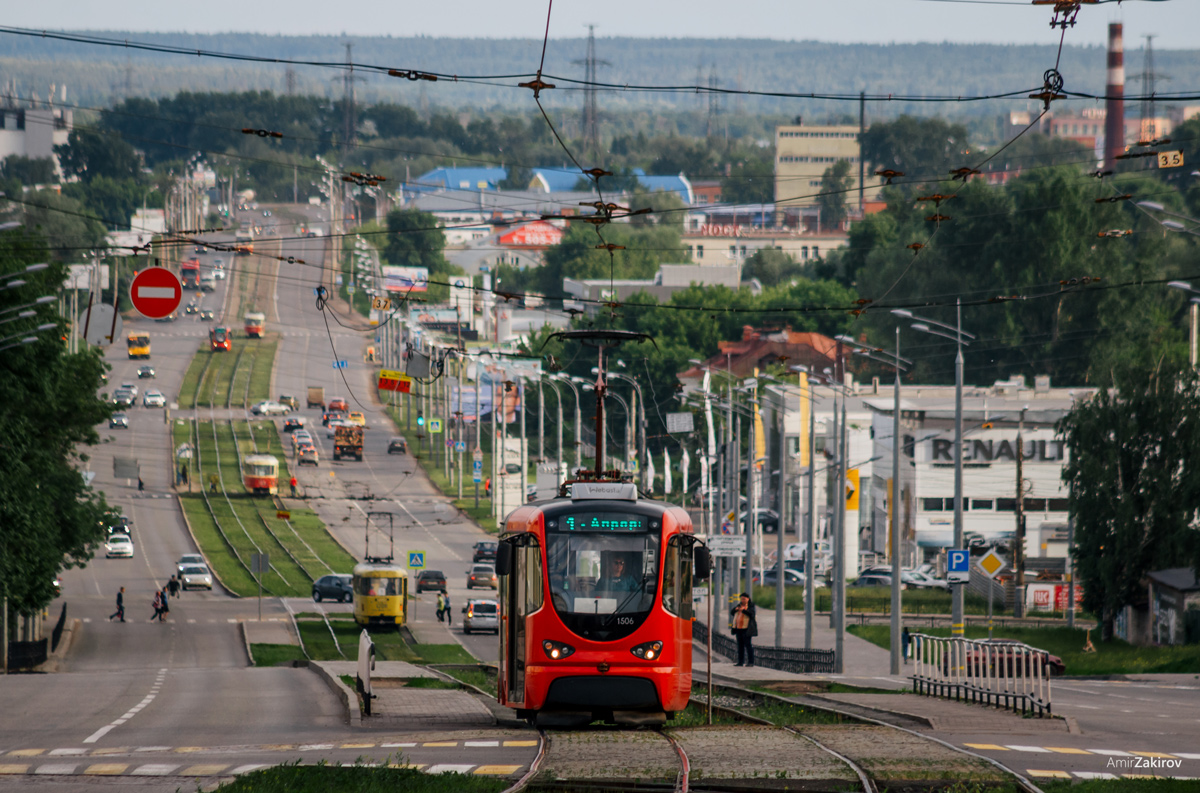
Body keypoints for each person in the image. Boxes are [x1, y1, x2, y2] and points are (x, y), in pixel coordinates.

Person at [730, 592, 757, 667]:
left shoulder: (750, 606)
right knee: (740, 645)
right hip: (738, 628)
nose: (743, 600)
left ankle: (750, 662)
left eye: (744, 599)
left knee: (748, 645)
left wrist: (744, 610)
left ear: (748, 599)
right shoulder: (739, 605)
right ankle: (740, 661)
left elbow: (752, 614)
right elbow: (732, 612)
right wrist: (736, 609)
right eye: (741, 599)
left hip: (746, 629)